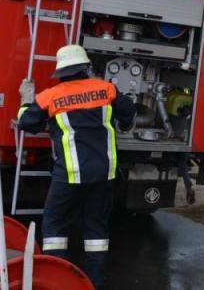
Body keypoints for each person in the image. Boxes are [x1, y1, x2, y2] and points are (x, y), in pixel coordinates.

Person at [16, 45, 136, 287]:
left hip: (69, 176)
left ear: (60, 73)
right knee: (96, 230)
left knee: (55, 224)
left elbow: (26, 123)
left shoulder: (50, 96)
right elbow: (129, 112)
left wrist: (26, 100)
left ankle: (56, 281)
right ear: (86, 68)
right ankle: (94, 283)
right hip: (104, 175)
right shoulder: (106, 89)